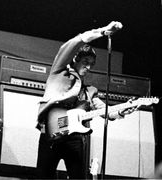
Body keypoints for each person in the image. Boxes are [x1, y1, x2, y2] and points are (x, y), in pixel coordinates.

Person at [36, 21, 137, 179]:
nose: (89, 67)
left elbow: (106, 112)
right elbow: (73, 43)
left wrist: (123, 110)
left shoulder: (90, 91)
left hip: (75, 140)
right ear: (75, 59)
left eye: (92, 64)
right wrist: (103, 31)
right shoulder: (59, 73)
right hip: (51, 135)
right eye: (85, 62)